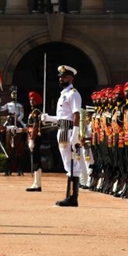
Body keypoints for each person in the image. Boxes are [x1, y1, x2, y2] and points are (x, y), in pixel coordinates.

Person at [41, 65, 83, 207]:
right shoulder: (64, 93)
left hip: (69, 130)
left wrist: (76, 133)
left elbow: (76, 114)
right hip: (62, 129)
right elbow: (62, 117)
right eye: (60, 77)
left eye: (64, 76)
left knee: (71, 164)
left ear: (71, 78)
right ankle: (69, 195)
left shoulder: (73, 93)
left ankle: (73, 197)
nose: (61, 79)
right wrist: (48, 118)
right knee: (67, 162)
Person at [26, 91, 44, 191]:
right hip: (31, 136)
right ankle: (36, 182)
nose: (31, 101)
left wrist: (32, 139)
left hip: (35, 137)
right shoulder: (33, 111)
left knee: (36, 159)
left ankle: (37, 184)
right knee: (34, 159)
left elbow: (35, 126)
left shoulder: (36, 112)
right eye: (30, 99)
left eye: (33, 99)